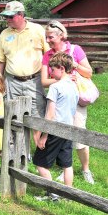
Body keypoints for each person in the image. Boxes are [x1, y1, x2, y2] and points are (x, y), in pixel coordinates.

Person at [41, 20, 94, 184]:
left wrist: (74, 65)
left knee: (78, 133)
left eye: (50, 37)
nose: (48, 41)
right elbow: (44, 81)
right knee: (62, 135)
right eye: (46, 37)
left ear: (61, 36)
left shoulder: (75, 49)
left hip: (76, 100)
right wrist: (63, 80)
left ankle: (85, 169)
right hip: (58, 100)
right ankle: (66, 168)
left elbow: (89, 73)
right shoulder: (47, 55)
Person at [0, 1, 49, 154]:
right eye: (6, 17)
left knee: (37, 119)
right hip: (11, 82)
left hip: (34, 81)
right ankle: (18, 154)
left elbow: (50, 55)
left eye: (11, 17)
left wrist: (52, 78)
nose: (7, 20)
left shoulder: (37, 30)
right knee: (13, 119)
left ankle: (39, 159)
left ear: (21, 15)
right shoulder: (4, 34)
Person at [33, 52, 79, 200]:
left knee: (40, 163)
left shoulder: (55, 87)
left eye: (52, 70)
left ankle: (53, 194)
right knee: (67, 164)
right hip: (69, 129)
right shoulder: (74, 86)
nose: (51, 73)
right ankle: (68, 194)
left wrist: (43, 135)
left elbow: (50, 114)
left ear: (61, 68)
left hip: (55, 130)